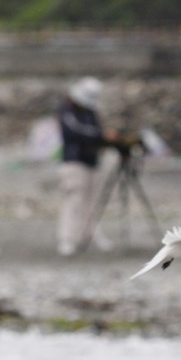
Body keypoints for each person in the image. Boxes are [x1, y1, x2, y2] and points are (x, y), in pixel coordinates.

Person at [57, 76, 116, 256]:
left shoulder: (91, 112)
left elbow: (96, 132)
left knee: (92, 201)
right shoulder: (66, 111)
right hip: (74, 162)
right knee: (74, 200)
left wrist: (104, 140)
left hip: (91, 162)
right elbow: (74, 133)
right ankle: (67, 239)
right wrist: (101, 137)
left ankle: (90, 235)